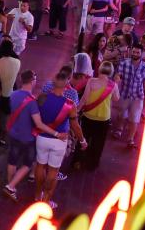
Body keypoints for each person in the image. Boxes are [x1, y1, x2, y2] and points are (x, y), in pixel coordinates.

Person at [2, 70, 68, 201]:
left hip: (14, 134)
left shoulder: (13, 94)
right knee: (28, 163)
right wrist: (56, 133)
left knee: (12, 160)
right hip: (27, 138)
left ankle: (11, 186)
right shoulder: (32, 101)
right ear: (32, 81)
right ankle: (11, 186)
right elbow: (39, 124)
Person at [34, 71, 87, 208]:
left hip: (42, 137)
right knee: (53, 171)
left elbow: (35, 117)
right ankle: (45, 201)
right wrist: (82, 140)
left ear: (53, 82)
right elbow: (75, 125)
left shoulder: (42, 98)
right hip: (59, 141)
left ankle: (37, 194)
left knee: (40, 166)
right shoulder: (70, 105)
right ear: (66, 86)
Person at [73, 61, 119, 171]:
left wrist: (77, 110)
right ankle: (92, 164)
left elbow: (84, 98)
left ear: (100, 69)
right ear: (111, 71)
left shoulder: (91, 81)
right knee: (98, 142)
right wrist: (116, 84)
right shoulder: (113, 85)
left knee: (83, 139)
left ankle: (77, 161)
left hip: (88, 115)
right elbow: (116, 99)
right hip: (103, 118)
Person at [113, 44, 145, 148]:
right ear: (131, 52)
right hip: (125, 93)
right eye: (134, 52)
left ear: (141, 54)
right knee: (121, 114)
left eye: (137, 53)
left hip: (138, 96)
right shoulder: (124, 63)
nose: (135, 54)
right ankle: (119, 129)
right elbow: (118, 75)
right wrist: (116, 81)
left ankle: (130, 139)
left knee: (135, 118)